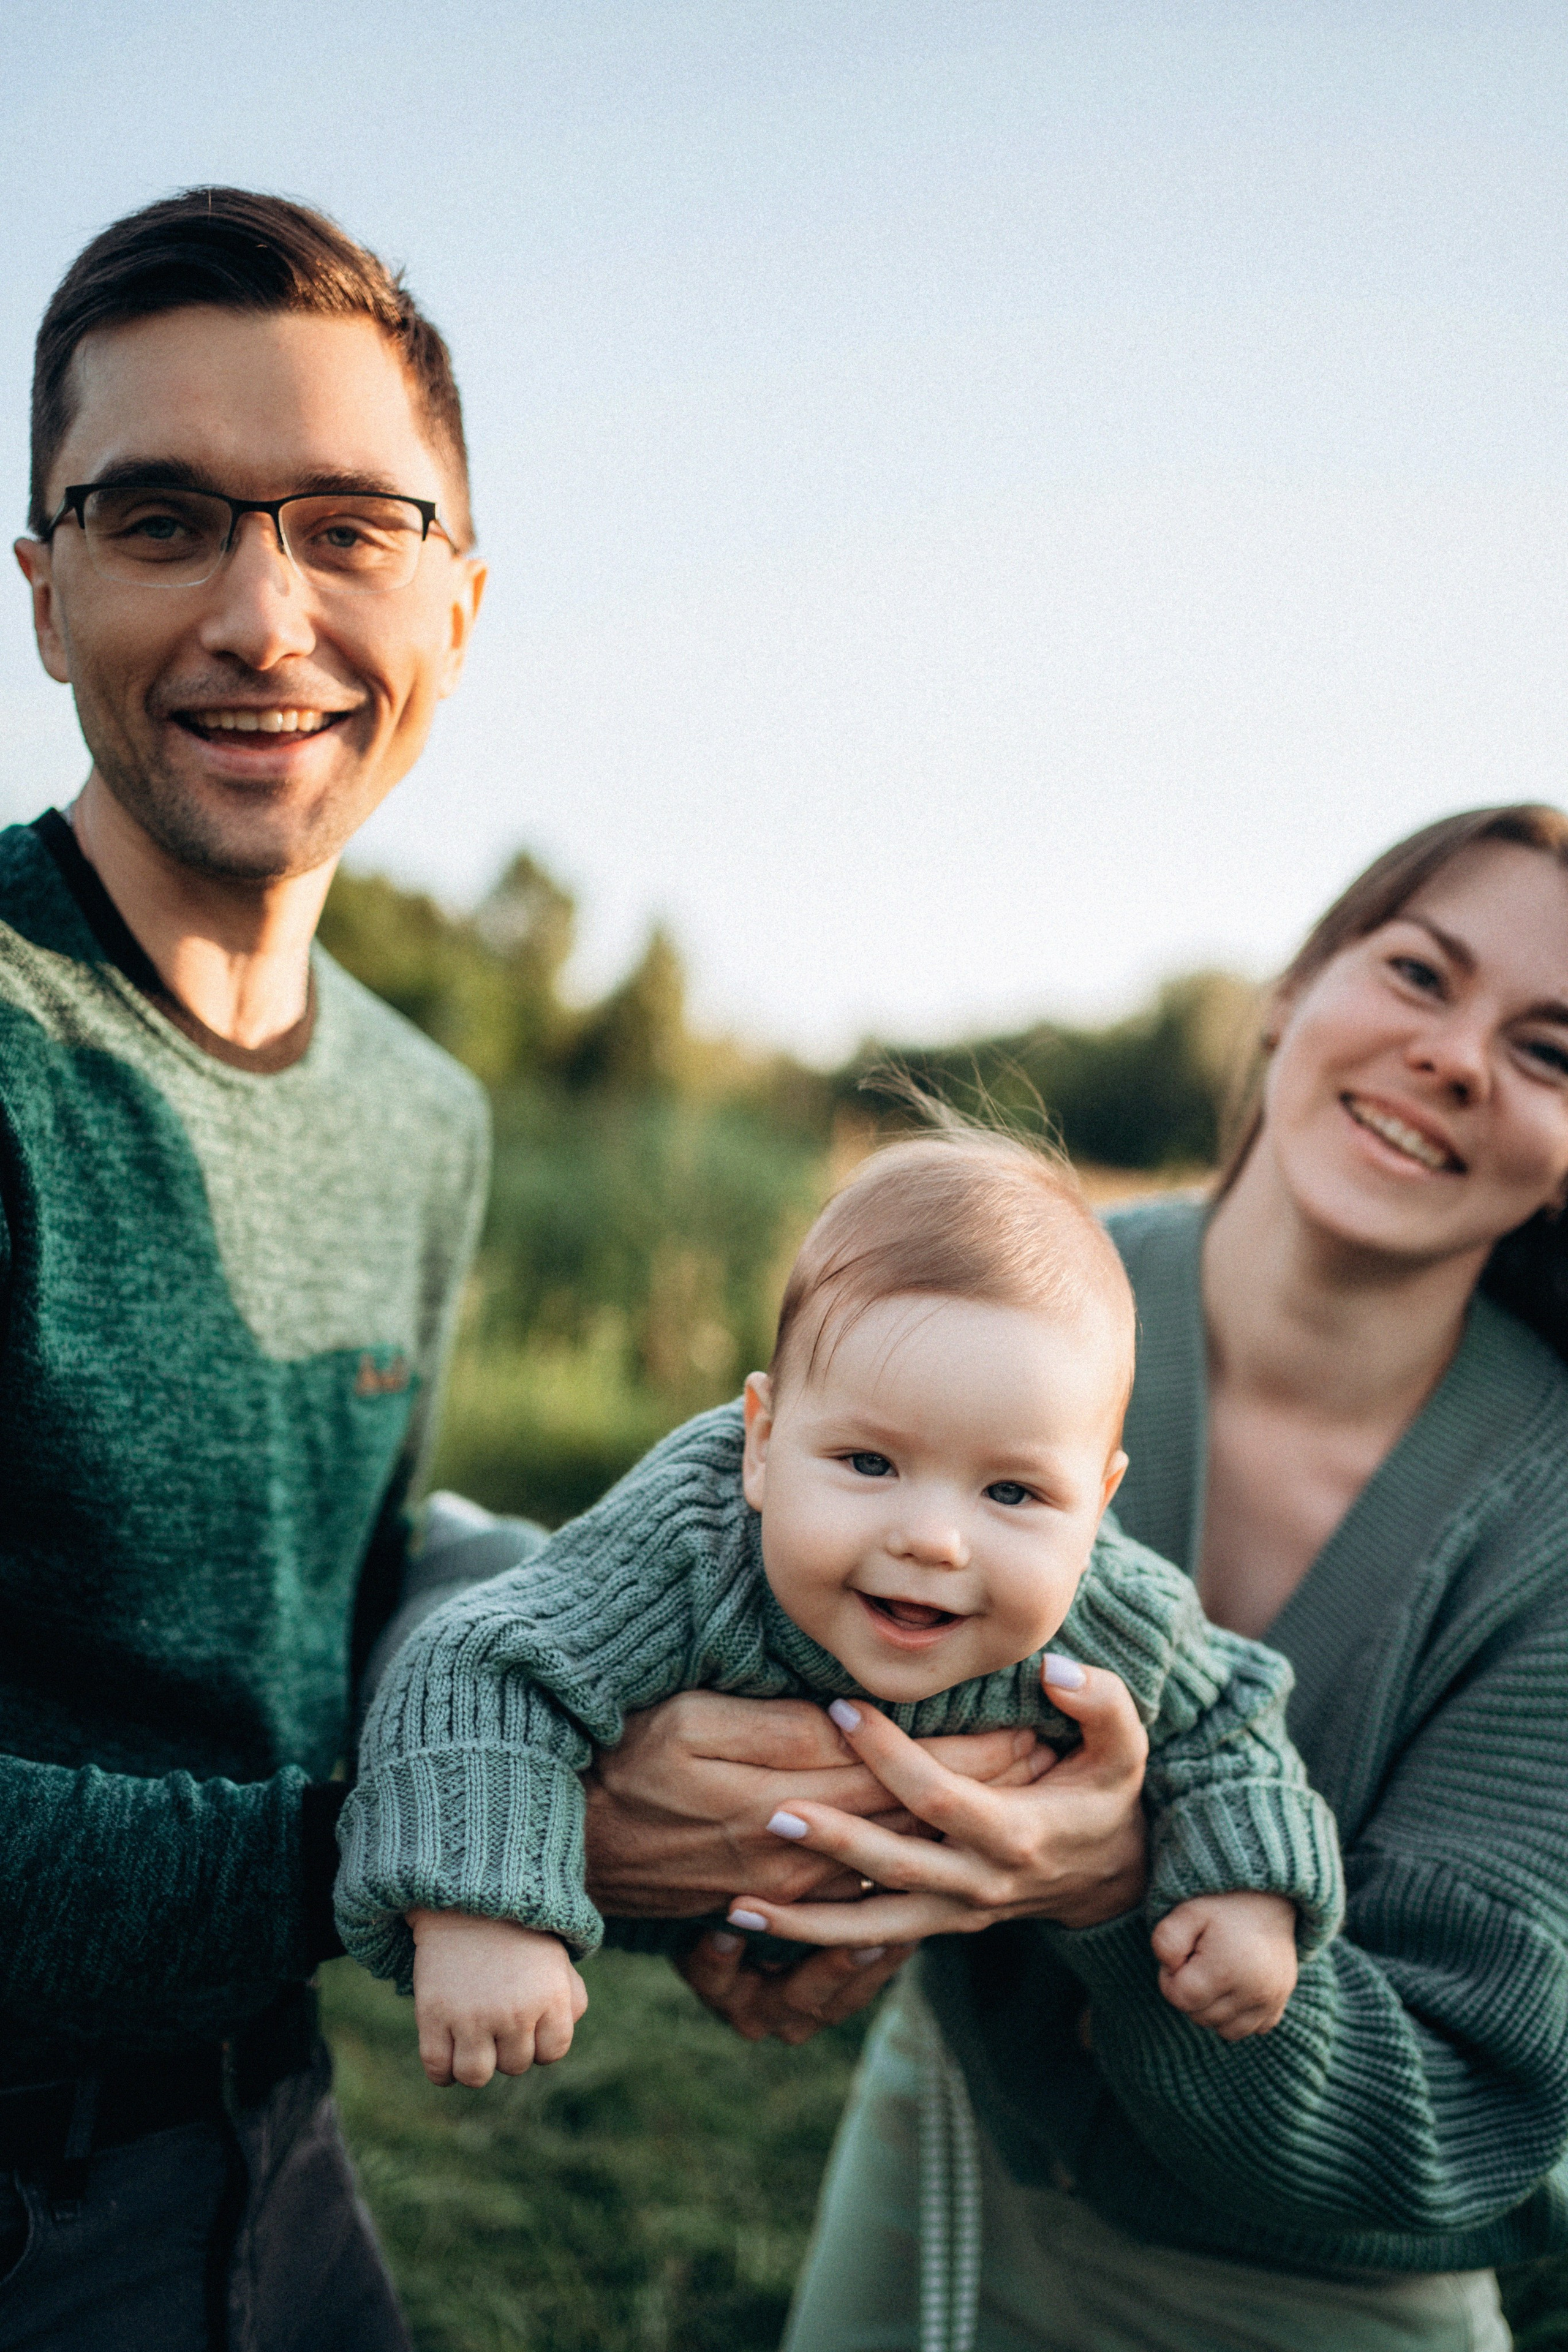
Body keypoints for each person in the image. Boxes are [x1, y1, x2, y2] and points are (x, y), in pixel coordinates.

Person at [575, 804, 1568, 2351]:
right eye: (1417, 974)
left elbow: (1454, 2112)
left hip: (1321, 2279)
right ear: (1289, 993)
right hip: (953, 2158)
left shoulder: (1545, 1518)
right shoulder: (990, 1293)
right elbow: (676, 1674)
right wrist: (742, 1900)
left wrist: (1120, 1887)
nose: (1453, 1057)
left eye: (1547, 1050)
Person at [1, 187, 487, 2350]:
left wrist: (701, 1839)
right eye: (163, 517)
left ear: (457, 608)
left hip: (275, 2148)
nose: (264, 617)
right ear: (41, 591)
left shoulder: (427, 1117)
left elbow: (354, 1621)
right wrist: (432, 1856)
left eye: (349, 526)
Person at [336, 1129, 1342, 2083]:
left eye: (1013, 1493)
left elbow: (1232, 1714)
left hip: (852, 1949)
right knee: (499, 1595)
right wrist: (481, 1908)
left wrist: (1248, 1888)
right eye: (870, 1462)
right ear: (763, 1443)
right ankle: (467, 1537)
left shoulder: (1112, 1610)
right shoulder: (692, 1539)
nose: (934, 1539)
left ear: (1098, 1505)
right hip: (588, 1720)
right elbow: (481, 1662)